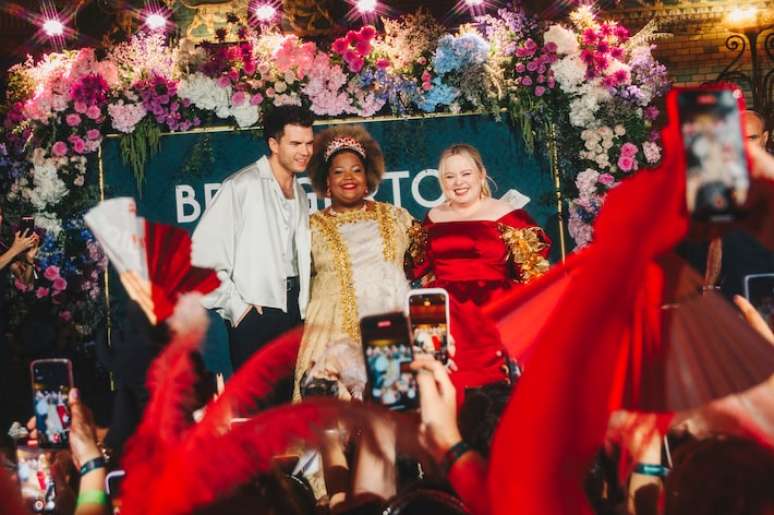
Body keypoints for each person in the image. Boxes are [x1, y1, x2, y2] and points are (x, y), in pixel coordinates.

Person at [405, 144, 550, 400]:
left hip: (493, 313)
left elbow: (532, 271)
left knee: (496, 388)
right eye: (450, 177)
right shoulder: (433, 217)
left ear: (481, 175)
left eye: (465, 174)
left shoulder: (509, 216)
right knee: (446, 386)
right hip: (445, 317)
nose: (458, 182)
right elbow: (416, 267)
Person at [293, 125, 413, 401]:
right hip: (331, 336)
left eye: (356, 170)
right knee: (330, 425)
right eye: (339, 171)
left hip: (388, 332)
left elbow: (425, 260)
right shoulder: (310, 228)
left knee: (392, 416)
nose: (349, 178)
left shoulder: (396, 217)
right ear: (326, 181)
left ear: (367, 177)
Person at [192, 106, 315, 375]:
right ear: (273, 143)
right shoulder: (241, 186)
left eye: (309, 143)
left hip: (295, 313)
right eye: (295, 143)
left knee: (290, 409)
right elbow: (198, 262)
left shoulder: (300, 193)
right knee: (257, 413)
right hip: (257, 316)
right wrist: (239, 308)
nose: (305, 151)